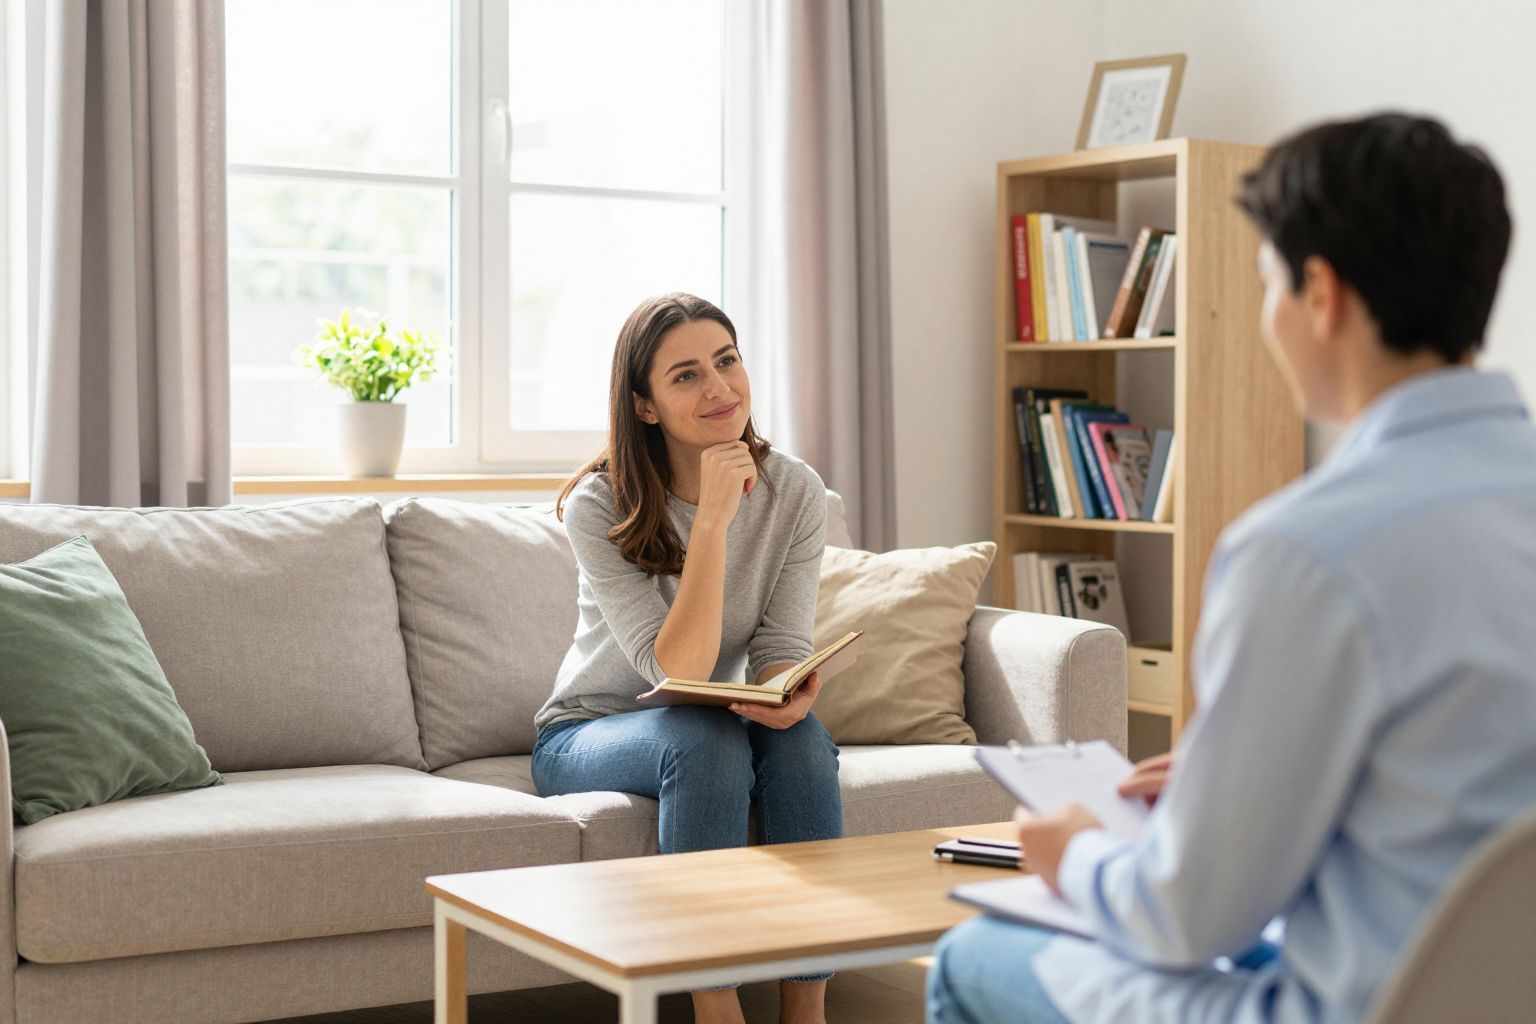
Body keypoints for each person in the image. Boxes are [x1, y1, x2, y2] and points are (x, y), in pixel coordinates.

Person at [928, 112, 1536, 1023]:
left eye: (1267, 283)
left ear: (1321, 293)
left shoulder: (1302, 549)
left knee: (976, 957)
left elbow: (1186, 916)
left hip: (1355, 1004)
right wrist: (1234, 773)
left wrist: (1074, 851)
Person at [533, 292, 842, 1024]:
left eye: (726, 361)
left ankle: (807, 1007)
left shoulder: (794, 488)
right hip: (587, 732)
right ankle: (715, 1007)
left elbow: (779, 645)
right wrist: (711, 522)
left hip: (702, 716)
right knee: (703, 740)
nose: (719, 388)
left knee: (800, 737)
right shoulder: (600, 503)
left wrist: (783, 691)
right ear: (644, 405)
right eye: (686, 376)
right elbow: (672, 670)